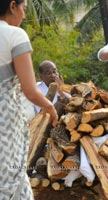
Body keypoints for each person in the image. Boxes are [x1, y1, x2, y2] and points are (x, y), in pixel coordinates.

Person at [0, 0, 58, 199]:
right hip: (5, 124)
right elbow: (30, 90)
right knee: (9, 180)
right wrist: (50, 107)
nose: (24, 16)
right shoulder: (14, 35)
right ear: (13, 5)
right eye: (24, 9)